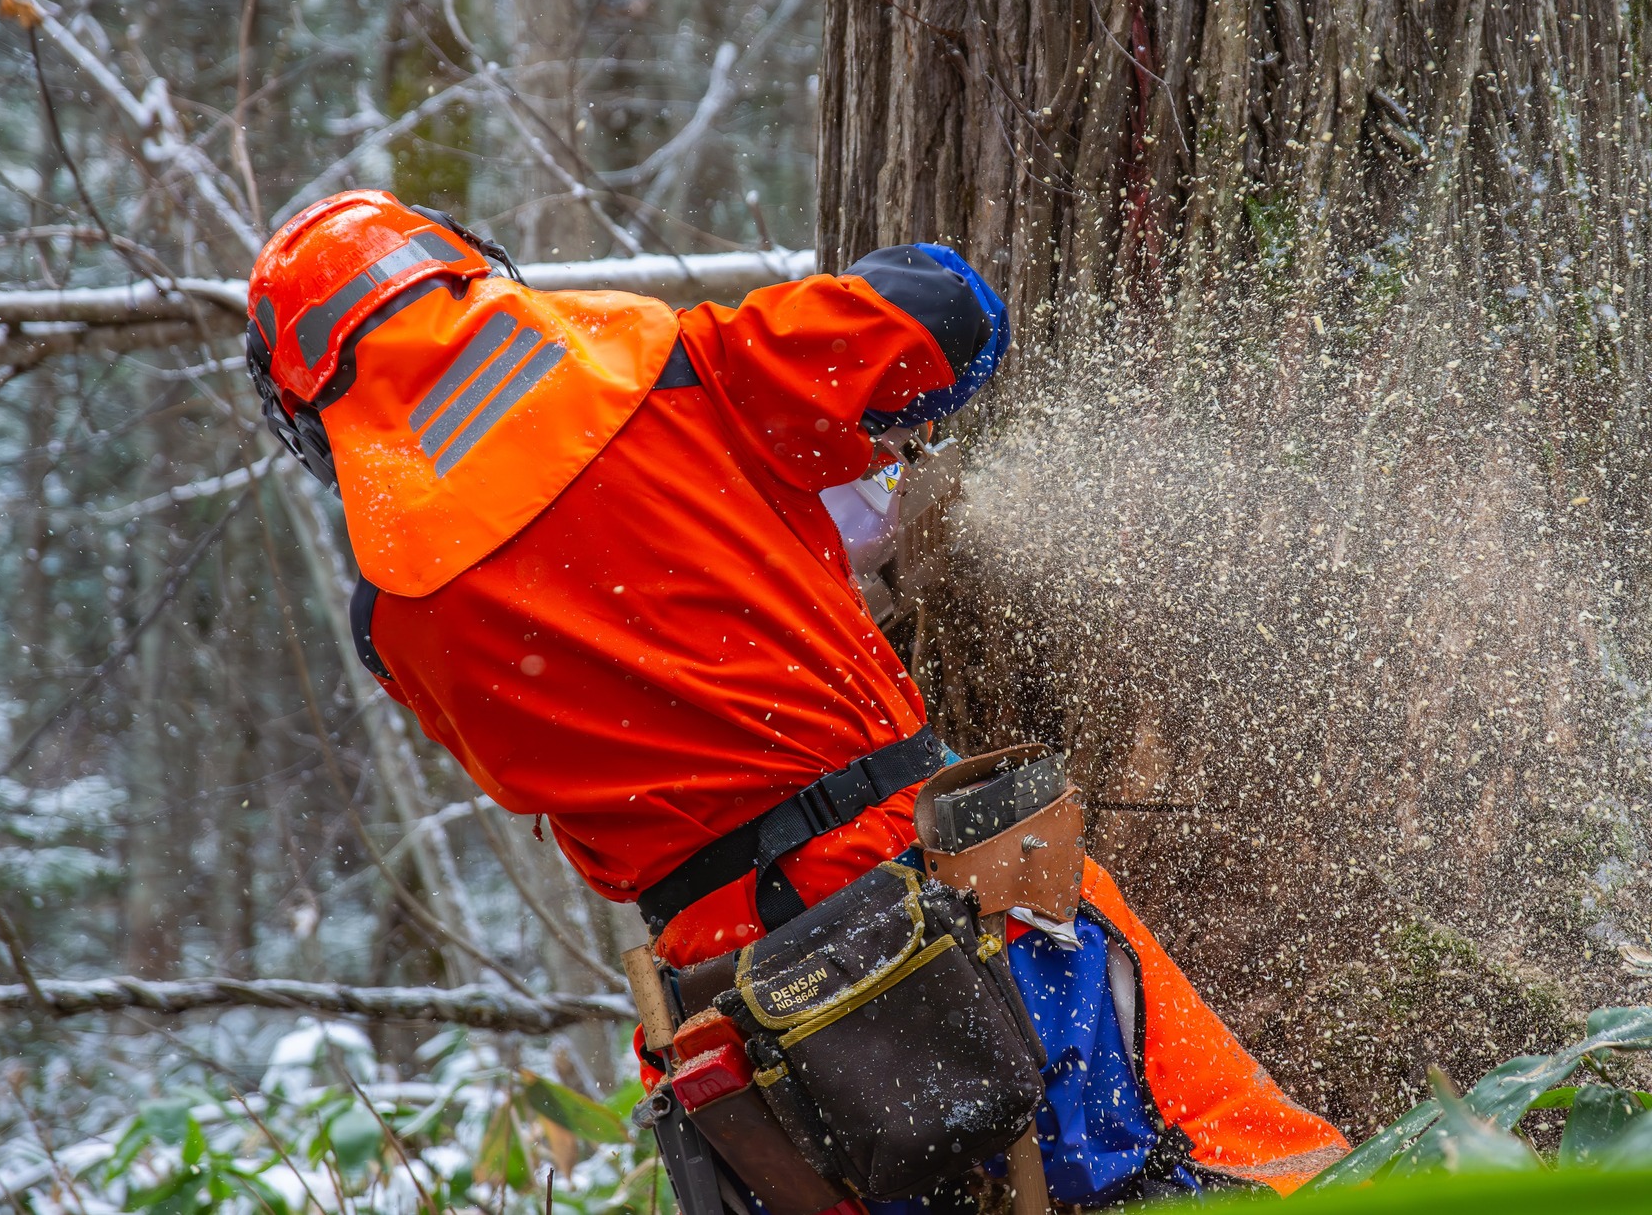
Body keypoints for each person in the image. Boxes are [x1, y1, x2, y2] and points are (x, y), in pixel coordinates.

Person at [243, 190, 1347, 1206]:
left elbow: (581, 686)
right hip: (921, 887)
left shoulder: (390, 625)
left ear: (313, 418)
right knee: (1241, 1162)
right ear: (483, 279)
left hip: (733, 1011)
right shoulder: (682, 373)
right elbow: (945, 310)